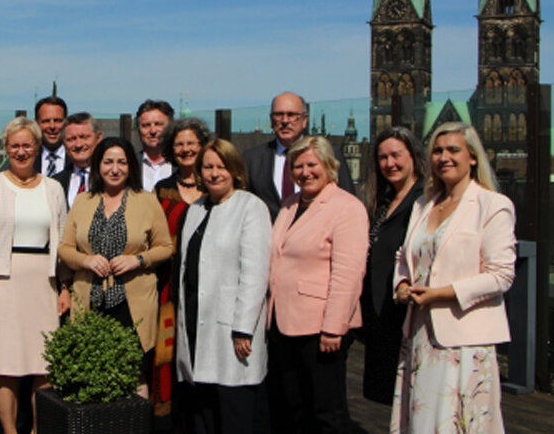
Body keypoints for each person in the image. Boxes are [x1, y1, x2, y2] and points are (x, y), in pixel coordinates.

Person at [391, 122, 516, 433]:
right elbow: (404, 256)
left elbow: (501, 275)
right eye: (437, 150)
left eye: (453, 150)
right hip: (420, 334)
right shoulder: (424, 204)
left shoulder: (493, 205)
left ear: (472, 157)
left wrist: (442, 293)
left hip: (465, 340)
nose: (444, 157)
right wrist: (402, 284)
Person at [0, 117, 70, 434]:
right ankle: (10, 430)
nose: (21, 151)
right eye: (15, 145)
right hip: (0, 282)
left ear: (38, 148)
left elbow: (63, 240)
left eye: (27, 145)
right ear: (6, 148)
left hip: (43, 282)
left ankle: (39, 429)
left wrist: (64, 287)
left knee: (44, 364)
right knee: (4, 364)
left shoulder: (53, 188)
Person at [58, 137, 174, 398]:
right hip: (91, 300)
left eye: (122, 162)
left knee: (133, 372)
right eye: (108, 162)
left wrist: (139, 260)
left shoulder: (147, 200)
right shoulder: (82, 201)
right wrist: (85, 260)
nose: (115, 168)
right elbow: (65, 248)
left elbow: (165, 247)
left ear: (131, 166)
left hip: (132, 303)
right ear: (98, 166)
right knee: (92, 370)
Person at [267, 135, 368, 433]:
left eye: (312, 164)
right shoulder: (290, 205)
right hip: (284, 325)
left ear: (328, 165)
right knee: (293, 408)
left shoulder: (346, 207)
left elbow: (348, 273)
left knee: (327, 412)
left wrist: (333, 327)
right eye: (297, 166)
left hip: (320, 328)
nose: (304, 172)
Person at [175, 139, 272, 434]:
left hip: (230, 328)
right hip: (195, 322)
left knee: (233, 410)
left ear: (235, 170)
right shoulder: (196, 209)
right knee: (203, 409)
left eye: (221, 167)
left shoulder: (250, 207)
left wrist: (243, 327)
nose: (214, 173)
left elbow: (255, 273)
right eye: (208, 167)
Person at [360, 127, 425, 405]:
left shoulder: (425, 199)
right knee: (387, 398)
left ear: (413, 156)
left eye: (396, 155)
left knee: (412, 396)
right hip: (379, 312)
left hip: (406, 311)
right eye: (383, 157)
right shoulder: (384, 200)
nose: (390, 163)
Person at [151, 117, 210, 420]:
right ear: (171, 150)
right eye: (180, 144)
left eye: (192, 143)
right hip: (169, 287)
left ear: (202, 147)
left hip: (208, 286)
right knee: (169, 354)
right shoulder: (161, 190)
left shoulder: (214, 187)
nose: (186, 149)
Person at [244, 92, 354, 221]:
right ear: (271, 120)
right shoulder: (252, 159)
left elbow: (348, 202)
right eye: (279, 115)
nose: (285, 121)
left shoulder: (330, 154)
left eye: (292, 115)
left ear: (304, 120)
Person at [52, 112, 103, 208]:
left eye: (84, 137)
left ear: (98, 138)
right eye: (71, 139)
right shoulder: (56, 182)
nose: (78, 144)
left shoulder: (111, 177)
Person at [137, 99, 174, 190]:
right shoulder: (130, 164)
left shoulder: (180, 164)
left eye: (158, 124)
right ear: (138, 130)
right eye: (146, 125)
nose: (153, 131)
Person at [33, 96, 70, 176]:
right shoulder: (28, 160)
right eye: (46, 121)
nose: (52, 126)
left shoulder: (77, 159)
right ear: (36, 123)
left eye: (57, 121)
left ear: (66, 123)